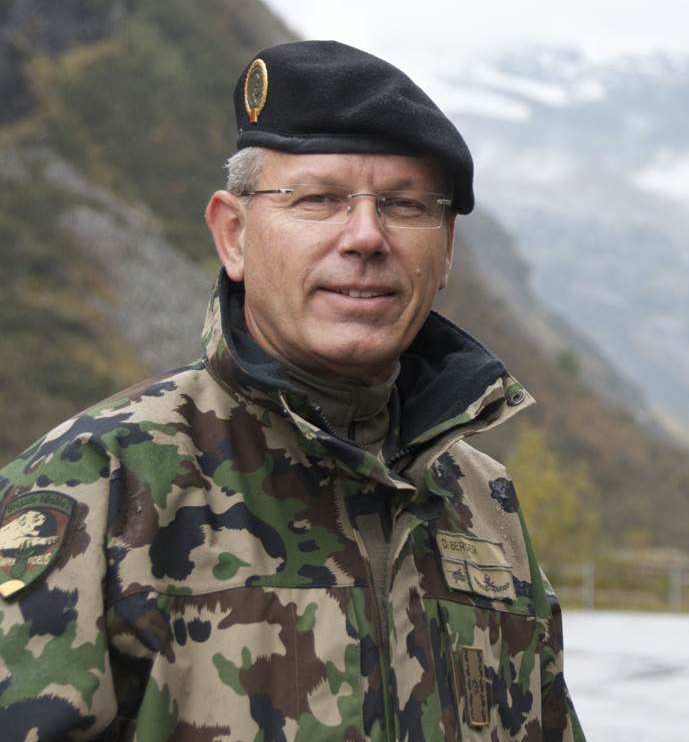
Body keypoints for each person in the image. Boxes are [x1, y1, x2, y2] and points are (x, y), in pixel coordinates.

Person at [0, 40, 585, 741]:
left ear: (447, 248)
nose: (366, 236)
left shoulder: (482, 503)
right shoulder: (98, 483)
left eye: (404, 205)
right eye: (319, 199)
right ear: (234, 234)